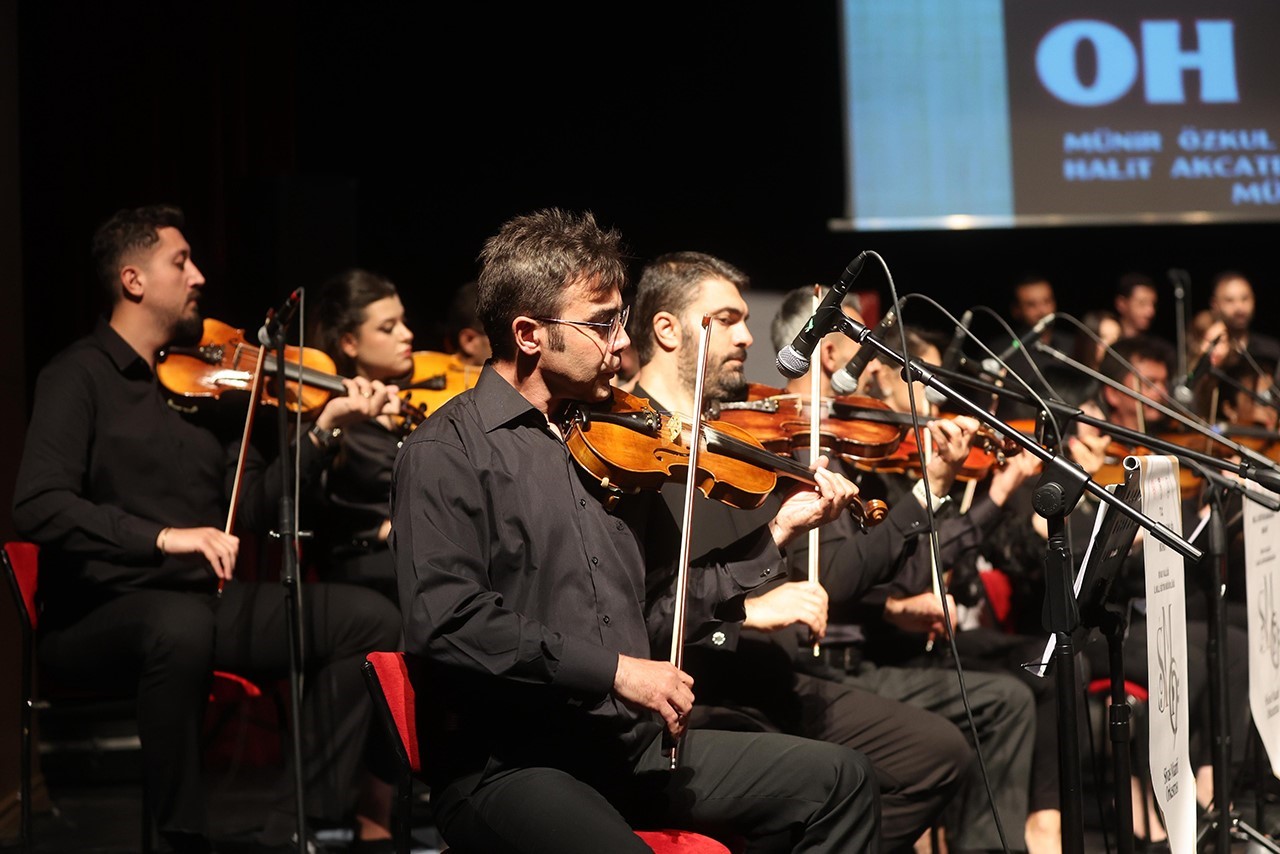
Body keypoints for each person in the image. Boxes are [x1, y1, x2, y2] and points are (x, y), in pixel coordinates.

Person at [389, 208, 880, 853]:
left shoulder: (610, 444)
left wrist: (778, 531)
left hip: (625, 748)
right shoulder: (448, 449)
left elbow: (661, 603)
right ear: (529, 334)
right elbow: (448, 621)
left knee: (839, 778)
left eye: (620, 319)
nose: (622, 344)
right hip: (512, 764)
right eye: (601, 324)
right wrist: (616, 671)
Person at [11, 204, 404, 853]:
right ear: (133, 280)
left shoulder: (210, 392)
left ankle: (288, 827)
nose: (198, 276)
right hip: (98, 611)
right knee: (178, 625)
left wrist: (322, 432)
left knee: (370, 619)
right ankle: (180, 836)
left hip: (200, 604)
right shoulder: (77, 375)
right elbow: (38, 504)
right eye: (180, 262)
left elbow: (249, 509)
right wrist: (164, 538)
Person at [627, 256, 974, 853]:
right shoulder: (626, 450)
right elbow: (643, 603)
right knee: (842, 780)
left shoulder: (734, 438)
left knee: (937, 753)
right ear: (666, 330)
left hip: (774, 674)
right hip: (709, 685)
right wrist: (748, 611)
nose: (746, 336)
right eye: (728, 319)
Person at [771, 287, 1059, 854]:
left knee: (1023, 686)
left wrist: (976, 490)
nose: (876, 363)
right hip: (833, 664)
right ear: (830, 352)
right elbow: (844, 577)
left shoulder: (856, 451)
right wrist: (934, 492)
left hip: (869, 652)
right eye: (866, 351)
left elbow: (895, 570)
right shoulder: (801, 450)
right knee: (1003, 702)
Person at [306, 268, 420, 605]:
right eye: (388, 328)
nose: (407, 334)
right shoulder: (333, 420)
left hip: (412, 555)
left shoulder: (406, 404)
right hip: (366, 572)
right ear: (349, 343)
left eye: (403, 321)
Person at [1113, 273, 1158, 340]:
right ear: (1121, 303)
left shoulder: (1159, 348)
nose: (1151, 311)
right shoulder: (1107, 341)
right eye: (1142, 303)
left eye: (1153, 304)